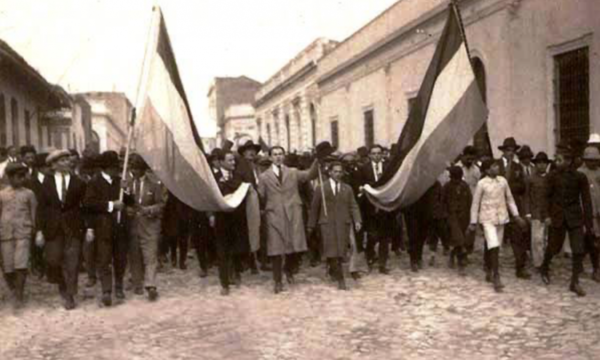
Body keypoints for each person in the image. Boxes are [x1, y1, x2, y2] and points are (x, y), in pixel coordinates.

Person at [258, 145, 320, 294]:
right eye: (275, 154)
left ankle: (289, 269)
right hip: (274, 215)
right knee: (276, 249)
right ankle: (277, 280)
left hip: (293, 213)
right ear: (270, 157)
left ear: (284, 156)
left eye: (280, 154)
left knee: (295, 247)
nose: (278, 157)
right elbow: (261, 196)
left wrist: (318, 160)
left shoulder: (292, 172)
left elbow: (310, 175)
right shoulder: (264, 177)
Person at [36, 149, 88, 310]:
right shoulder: (47, 182)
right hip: (53, 227)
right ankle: (62, 284)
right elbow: (42, 208)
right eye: (62, 161)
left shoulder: (78, 182)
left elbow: (85, 206)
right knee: (53, 259)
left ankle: (70, 295)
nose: (67, 163)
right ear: (53, 165)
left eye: (67, 160)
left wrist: (87, 227)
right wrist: (39, 231)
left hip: (73, 226)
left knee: (72, 261)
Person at [539, 149, 594, 297]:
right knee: (554, 247)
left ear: (568, 161)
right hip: (557, 217)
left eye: (559, 160)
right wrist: (546, 215)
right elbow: (544, 197)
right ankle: (544, 267)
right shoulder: (551, 177)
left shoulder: (580, 177)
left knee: (578, 249)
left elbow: (586, 201)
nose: (556, 163)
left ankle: (574, 282)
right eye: (556, 160)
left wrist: (588, 223)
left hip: (575, 217)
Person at [470, 160, 526, 292]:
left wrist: (516, 215)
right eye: (494, 166)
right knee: (493, 245)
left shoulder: (503, 181)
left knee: (495, 246)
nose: (497, 167)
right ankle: (496, 275)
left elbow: (510, 198)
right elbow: (475, 204)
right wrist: (473, 221)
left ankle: (489, 269)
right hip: (487, 219)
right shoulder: (481, 184)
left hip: (501, 218)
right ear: (487, 170)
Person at [83, 151, 128, 307]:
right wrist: (110, 205)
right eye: (115, 167)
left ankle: (119, 286)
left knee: (120, 259)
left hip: (120, 227)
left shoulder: (120, 182)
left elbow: (129, 201)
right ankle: (106, 290)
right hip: (103, 228)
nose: (117, 170)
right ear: (107, 168)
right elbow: (89, 204)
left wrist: (127, 190)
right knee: (104, 260)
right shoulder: (94, 183)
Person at [308, 161, 362, 290]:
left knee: (341, 251)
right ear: (330, 172)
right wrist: (311, 225)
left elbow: (353, 205)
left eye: (340, 172)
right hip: (327, 224)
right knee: (332, 251)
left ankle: (334, 271)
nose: (338, 174)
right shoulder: (321, 188)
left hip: (343, 223)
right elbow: (314, 208)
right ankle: (341, 280)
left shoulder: (347, 188)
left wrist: (357, 220)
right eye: (335, 171)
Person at [124, 154, 165, 301]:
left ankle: (151, 285)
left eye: (137, 169)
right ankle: (137, 282)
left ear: (143, 169)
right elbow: (123, 202)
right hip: (132, 225)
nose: (134, 171)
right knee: (134, 255)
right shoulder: (126, 184)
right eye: (132, 168)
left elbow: (161, 204)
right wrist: (126, 208)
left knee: (150, 255)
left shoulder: (155, 183)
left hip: (150, 225)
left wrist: (148, 210)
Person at [210, 150, 251, 295]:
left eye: (234, 160)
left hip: (237, 218)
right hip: (221, 219)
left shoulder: (239, 176)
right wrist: (211, 216)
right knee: (222, 251)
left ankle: (236, 272)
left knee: (237, 248)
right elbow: (210, 198)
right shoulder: (213, 178)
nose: (233, 163)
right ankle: (224, 283)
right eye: (230, 160)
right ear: (221, 162)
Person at [0, 163, 37, 308]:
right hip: (5, 233)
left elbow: (33, 213)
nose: (21, 180)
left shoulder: (29, 194)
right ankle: (13, 288)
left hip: (23, 232)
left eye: (23, 177)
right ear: (9, 178)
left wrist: (33, 229)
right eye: (17, 177)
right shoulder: (2, 194)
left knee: (20, 264)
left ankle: (19, 294)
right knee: (8, 266)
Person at [497, 137, 531, 280]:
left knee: (518, 237)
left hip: (513, 207)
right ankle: (490, 266)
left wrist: (511, 189)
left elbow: (523, 188)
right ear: (503, 151)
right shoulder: (495, 165)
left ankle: (520, 268)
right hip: (497, 206)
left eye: (513, 151)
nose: (511, 153)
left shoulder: (518, 168)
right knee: (493, 236)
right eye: (508, 150)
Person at [358, 145, 392, 274]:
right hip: (369, 207)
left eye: (379, 153)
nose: (376, 156)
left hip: (385, 207)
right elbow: (360, 185)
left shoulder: (388, 168)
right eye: (373, 153)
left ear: (382, 154)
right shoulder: (363, 169)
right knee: (372, 235)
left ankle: (382, 264)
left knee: (384, 236)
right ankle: (370, 254)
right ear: (369, 156)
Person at [575, 146, 600, 282]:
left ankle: (596, 268)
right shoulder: (579, 173)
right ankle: (579, 265)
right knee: (585, 240)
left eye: (596, 160)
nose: (594, 163)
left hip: (597, 213)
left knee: (595, 242)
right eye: (591, 160)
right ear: (585, 160)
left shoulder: (599, 173)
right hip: (584, 213)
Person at [443, 166, 472, 275]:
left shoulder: (465, 186)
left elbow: (470, 200)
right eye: (454, 179)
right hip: (452, 216)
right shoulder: (446, 187)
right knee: (459, 238)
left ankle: (452, 254)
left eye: (458, 179)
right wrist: (445, 215)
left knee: (459, 238)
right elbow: (443, 202)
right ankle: (461, 262)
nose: (456, 181)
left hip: (463, 216)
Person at [525, 152, 552, 269]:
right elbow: (526, 196)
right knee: (537, 239)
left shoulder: (551, 178)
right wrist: (527, 212)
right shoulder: (531, 179)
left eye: (544, 163)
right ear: (535, 165)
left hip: (548, 213)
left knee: (546, 239)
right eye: (539, 163)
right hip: (535, 211)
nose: (541, 165)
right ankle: (538, 262)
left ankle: (546, 261)